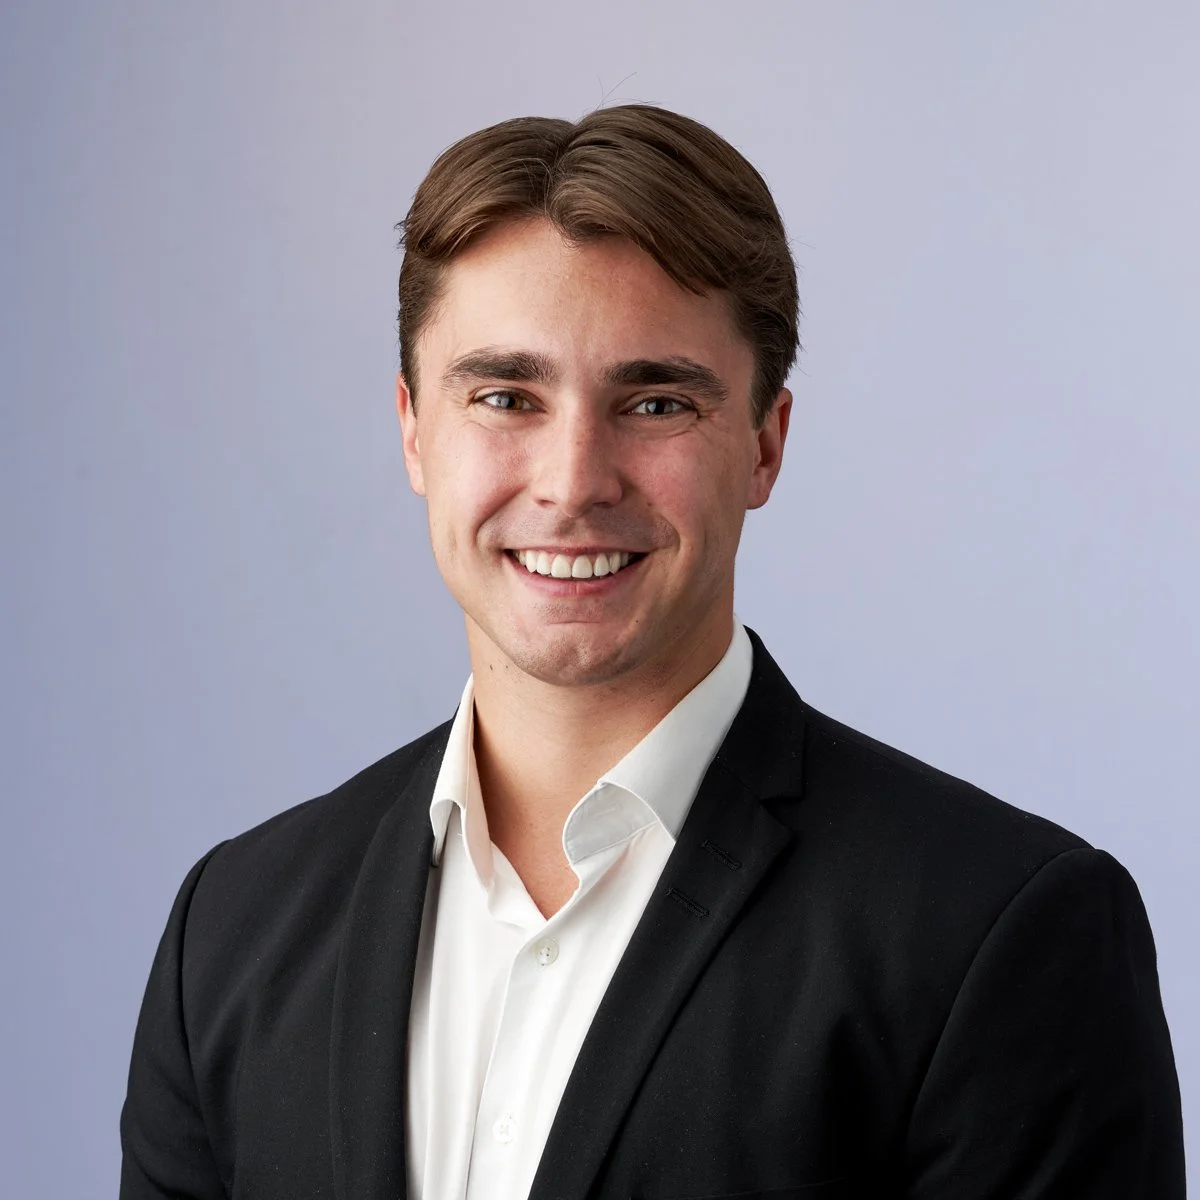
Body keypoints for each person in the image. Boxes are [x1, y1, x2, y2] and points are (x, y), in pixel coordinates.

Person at [119, 105, 1185, 1200]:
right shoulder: (231, 933)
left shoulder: (999, 935)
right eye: (505, 397)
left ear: (765, 444)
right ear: (412, 430)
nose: (574, 481)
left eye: (656, 401)